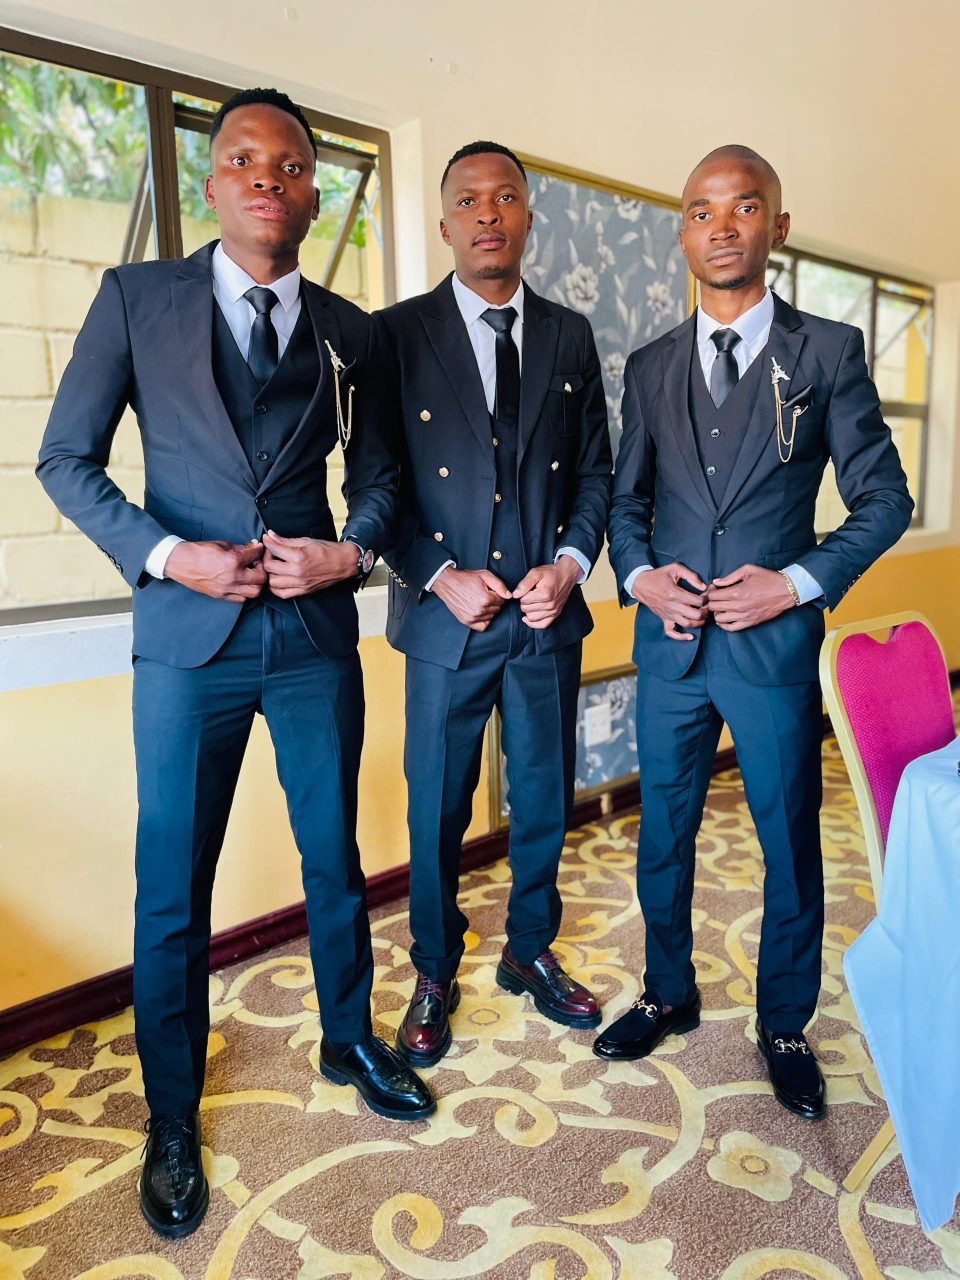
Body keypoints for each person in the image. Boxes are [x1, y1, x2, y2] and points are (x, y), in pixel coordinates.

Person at [36, 87, 433, 1240]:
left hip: (311, 639)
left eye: (291, 163)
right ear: (213, 182)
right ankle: (169, 1115)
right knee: (173, 884)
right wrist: (170, 555)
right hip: (186, 642)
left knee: (334, 857)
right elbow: (65, 460)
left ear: (312, 190)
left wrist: (350, 550)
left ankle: (349, 1037)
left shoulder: (353, 331)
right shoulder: (137, 300)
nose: (269, 176)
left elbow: (385, 478)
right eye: (246, 159)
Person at [594, 145, 913, 1120]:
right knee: (663, 834)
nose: (721, 225)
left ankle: (782, 1023)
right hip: (670, 651)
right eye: (701, 210)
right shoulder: (651, 366)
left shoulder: (827, 353)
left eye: (743, 207)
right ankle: (667, 990)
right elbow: (626, 503)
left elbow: (884, 499)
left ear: (777, 225)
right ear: (683, 232)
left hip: (772, 655)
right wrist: (641, 576)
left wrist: (797, 582)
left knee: (788, 840)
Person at [375, 141, 613, 1068]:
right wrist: (439, 573)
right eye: (469, 200)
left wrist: (571, 563)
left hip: (543, 614)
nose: (487, 213)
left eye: (504, 197)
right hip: (447, 617)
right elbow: (376, 485)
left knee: (545, 794)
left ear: (525, 218)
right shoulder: (395, 334)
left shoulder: (569, 334)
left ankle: (529, 949)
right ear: (445, 224)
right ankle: (435, 970)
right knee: (438, 805)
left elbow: (594, 472)